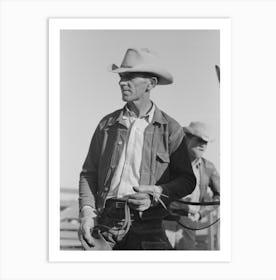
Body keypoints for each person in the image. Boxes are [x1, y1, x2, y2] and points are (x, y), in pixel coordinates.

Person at [78, 48, 196, 250]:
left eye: (130, 76)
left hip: (149, 224)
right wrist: (87, 214)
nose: (122, 82)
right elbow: (89, 173)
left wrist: (157, 193)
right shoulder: (106, 125)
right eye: (122, 76)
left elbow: (187, 180)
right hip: (106, 224)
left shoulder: (171, 129)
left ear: (151, 83)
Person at [164, 121, 220, 250]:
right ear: (187, 139)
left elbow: (222, 195)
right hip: (165, 220)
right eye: (199, 140)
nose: (203, 145)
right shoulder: (168, 162)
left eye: (206, 142)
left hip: (189, 223)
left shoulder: (208, 167)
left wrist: (201, 213)